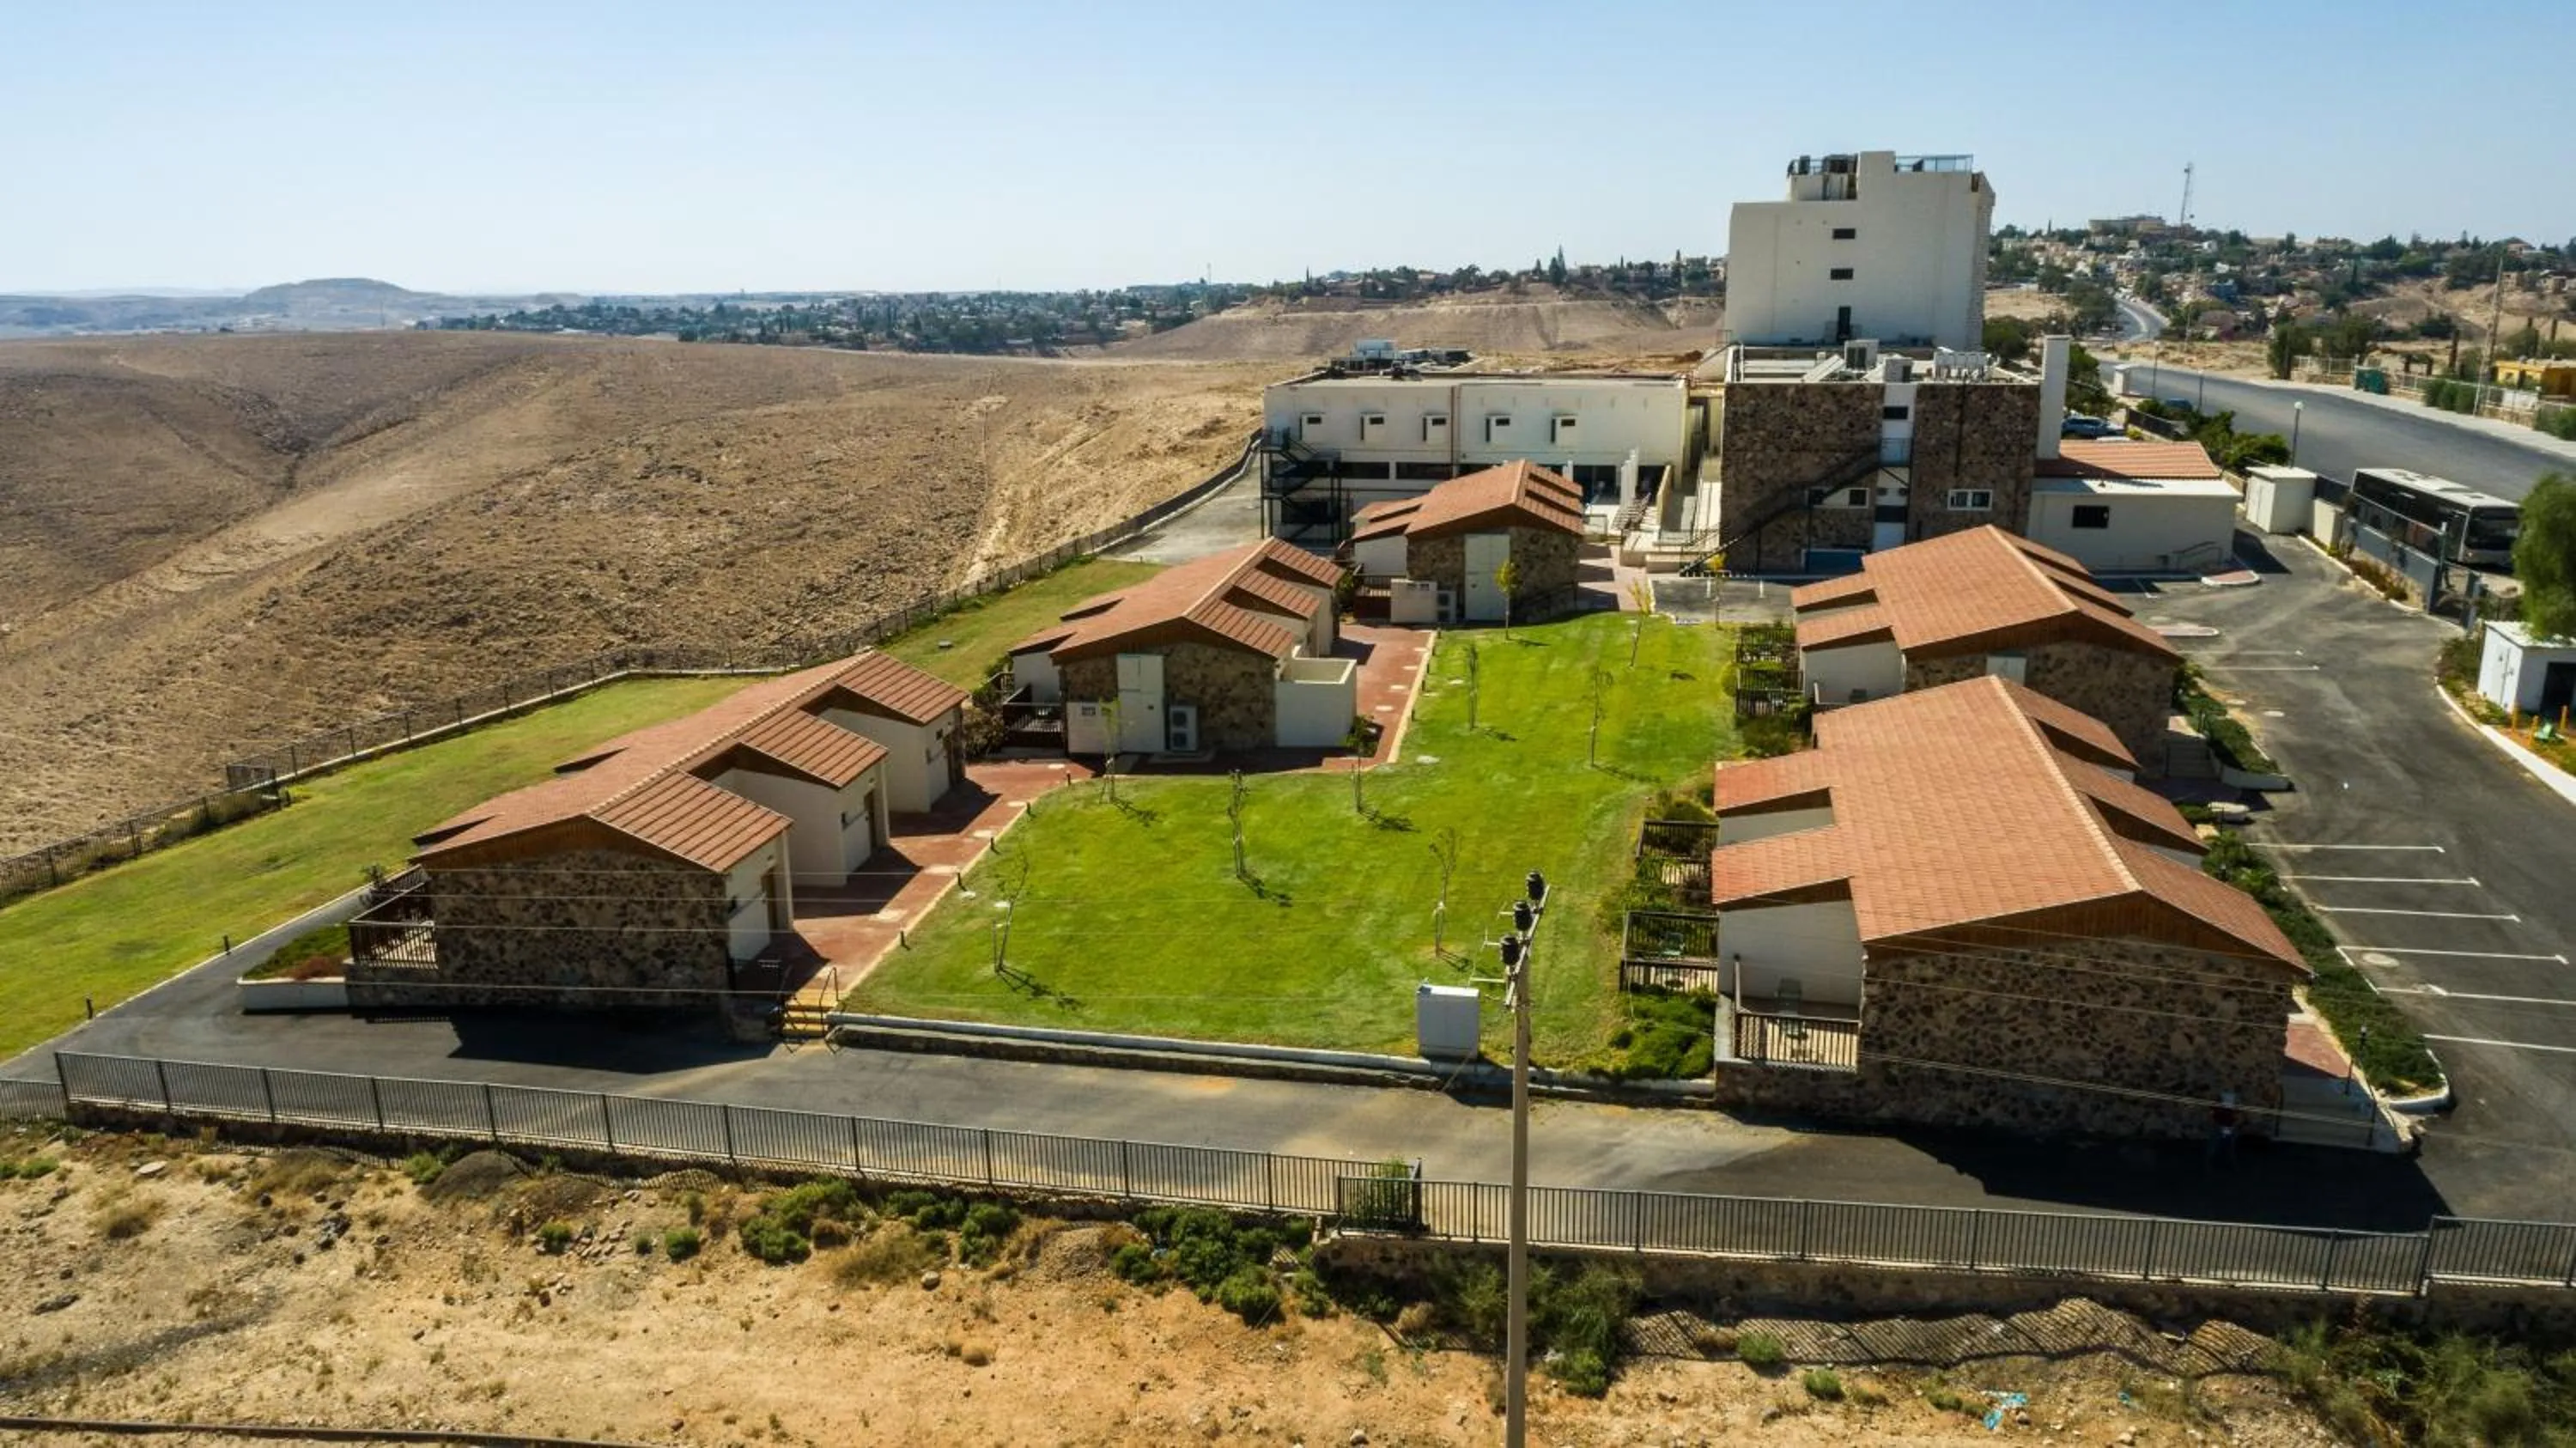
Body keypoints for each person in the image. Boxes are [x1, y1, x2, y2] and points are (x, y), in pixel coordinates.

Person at [2207, 1089, 2241, 1167]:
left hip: (2228, 1127)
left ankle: (2231, 1162)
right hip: (2219, 1126)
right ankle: (2209, 1163)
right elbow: (2211, 1115)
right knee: (2214, 1145)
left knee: (2230, 1147)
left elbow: (2238, 1117)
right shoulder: (2217, 1106)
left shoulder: (2232, 1107)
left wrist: (2234, 1125)